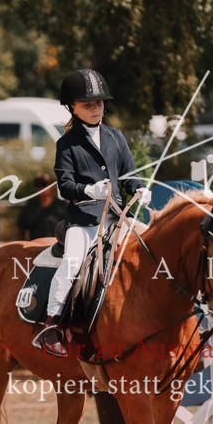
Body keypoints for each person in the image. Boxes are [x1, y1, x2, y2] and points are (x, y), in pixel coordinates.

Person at [33, 68, 151, 356]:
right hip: (84, 220)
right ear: (72, 107)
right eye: (88, 104)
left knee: (151, 250)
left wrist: (139, 188)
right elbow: (65, 185)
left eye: (99, 103)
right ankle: (50, 325)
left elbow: (128, 174)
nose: (96, 108)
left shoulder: (115, 136)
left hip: (117, 216)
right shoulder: (67, 144)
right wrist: (88, 191)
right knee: (73, 262)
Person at [17, 172, 66, 241]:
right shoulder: (29, 206)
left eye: (44, 183)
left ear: (52, 185)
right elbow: (21, 230)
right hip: (35, 248)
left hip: (57, 248)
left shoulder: (62, 206)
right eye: (37, 184)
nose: (41, 187)